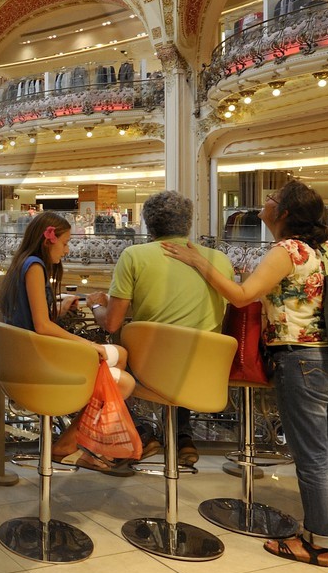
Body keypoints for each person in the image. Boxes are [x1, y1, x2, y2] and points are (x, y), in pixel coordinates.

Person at [167, 180, 328, 567]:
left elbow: (241, 295)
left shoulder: (287, 250)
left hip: (301, 360)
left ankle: (316, 543)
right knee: (325, 451)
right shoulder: (324, 249)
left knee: (311, 456)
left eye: (272, 200)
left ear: (284, 213)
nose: (264, 204)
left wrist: (200, 263)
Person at [87, 190, 234, 467]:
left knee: (109, 363)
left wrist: (96, 304)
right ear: (188, 223)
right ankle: (182, 436)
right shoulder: (219, 260)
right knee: (181, 350)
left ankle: (142, 432)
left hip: (152, 369)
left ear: (148, 224)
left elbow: (112, 323)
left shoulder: (134, 256)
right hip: (206, 370)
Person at [0, 211, 135, 468]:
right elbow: (42, 326)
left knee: (120, 357)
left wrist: (58, 309)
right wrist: (87, 344)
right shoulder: (35, 267)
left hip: (23, 359)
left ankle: (80, 442)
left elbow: (30, 318)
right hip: (39, 366)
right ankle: (75, 443)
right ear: (49, 240)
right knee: (124, 382)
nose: (67, 249)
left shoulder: (22, 264)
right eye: (65, 243)